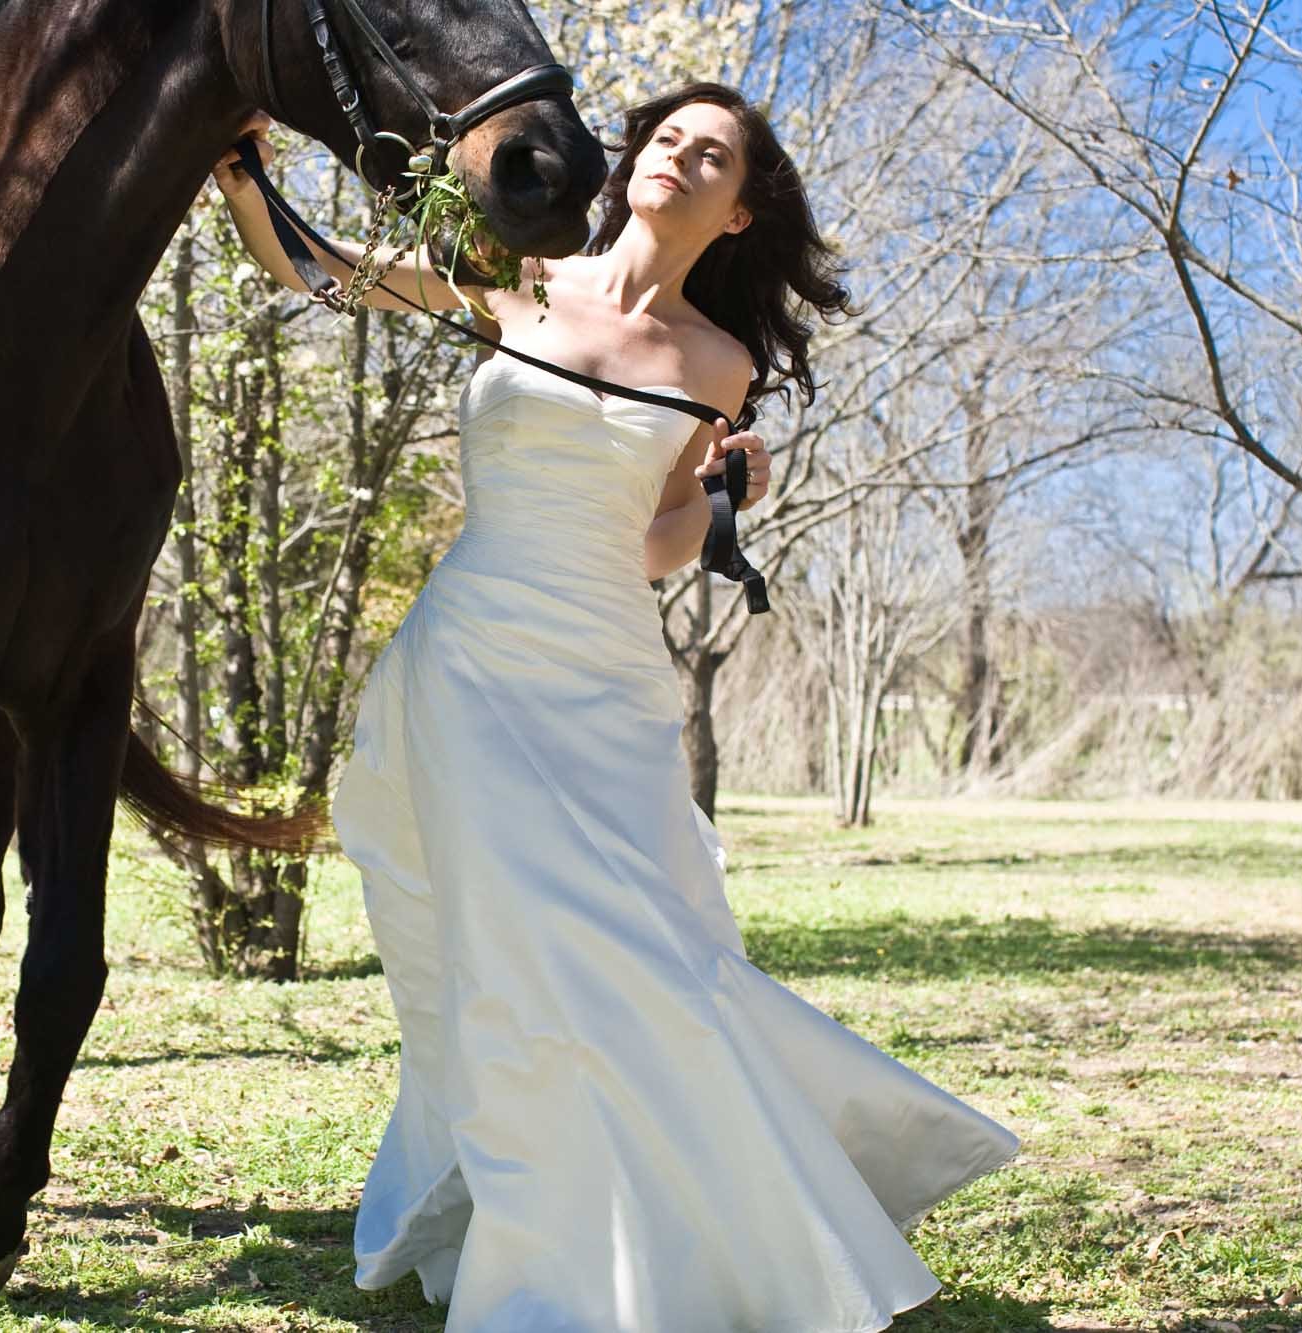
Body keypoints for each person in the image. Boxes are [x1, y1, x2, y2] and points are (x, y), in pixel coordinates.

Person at [211, 81, 1019, 1332]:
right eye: (666, 138)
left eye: (711, 155)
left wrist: (721, 491)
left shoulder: (716, 365)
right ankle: (553, 1269)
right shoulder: (519, 276)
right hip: (471, 663)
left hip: (606, 680)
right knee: (520, 960)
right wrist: (242, 177)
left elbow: (655, 547)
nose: (676, 158)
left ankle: (722, 1225)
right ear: (633, 159)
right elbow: (321, 273)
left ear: (740, 211)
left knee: (650, 953)